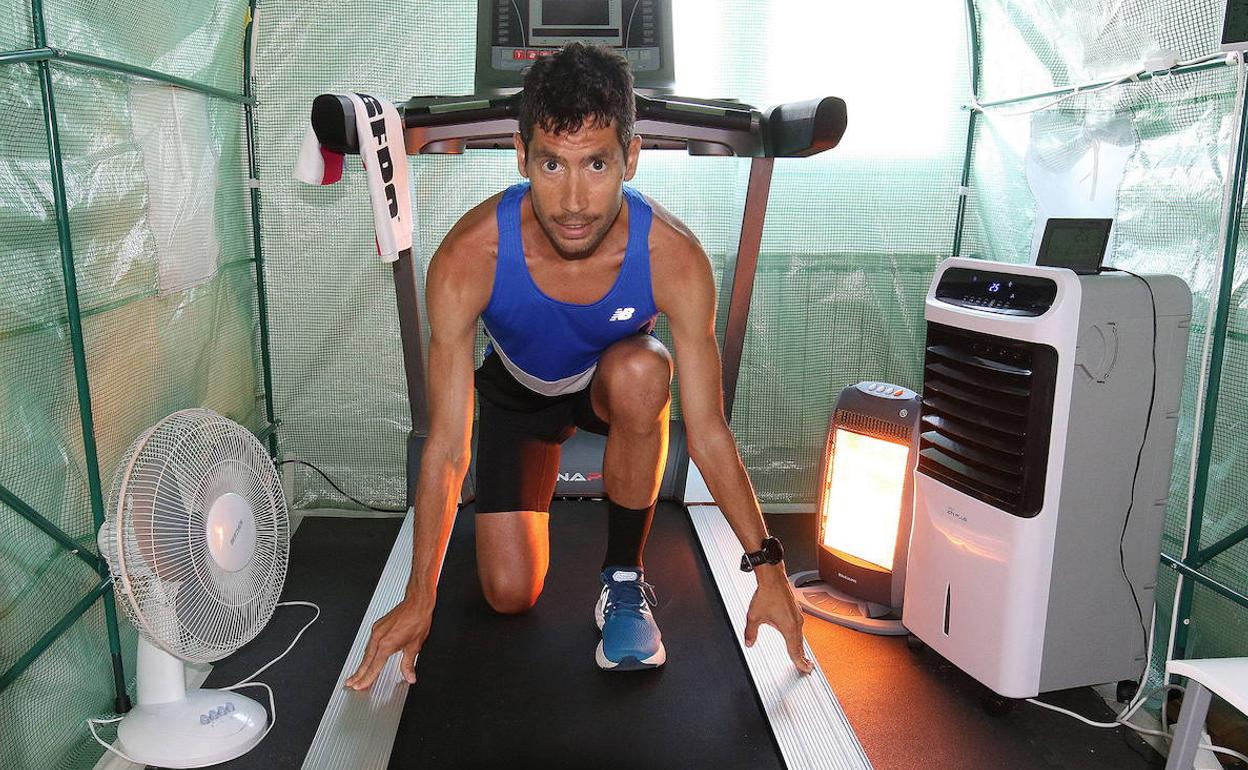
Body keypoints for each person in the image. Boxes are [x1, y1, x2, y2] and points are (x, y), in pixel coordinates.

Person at [345, 42, 810, 687]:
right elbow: (448, 446)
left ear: (631, 157)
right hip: (516, 394)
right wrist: (420, 593)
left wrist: (770, 571)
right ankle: (523, 508)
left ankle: (623, 580)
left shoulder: (675, 258)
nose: (572, 200)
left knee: (645, 371)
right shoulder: (467, 257)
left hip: (605, 386)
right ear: (521, 157)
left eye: (595, 164)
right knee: (508, 594)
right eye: (552, 165)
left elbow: (707, 433)